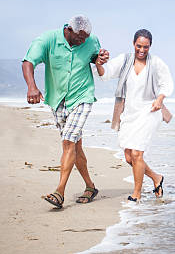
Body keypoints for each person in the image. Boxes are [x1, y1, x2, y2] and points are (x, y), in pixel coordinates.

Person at [22, 15, 110, 209]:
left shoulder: (91, 40)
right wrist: (32, 87)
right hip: (58, 99)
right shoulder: (47, 40)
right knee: (75, 147)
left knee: (68, 141)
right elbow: (28, 62)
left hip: (82, 97)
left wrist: (99, 59)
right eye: (79, 38)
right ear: (68, 30)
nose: (83, 41)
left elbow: (95, 58)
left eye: (85, 38)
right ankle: (90, 186)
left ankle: (59, 192)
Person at [95, 29, 173, 202]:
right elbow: (105, 74)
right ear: (133, 44)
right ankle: (156, 178)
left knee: (137, 154)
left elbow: (167, 83)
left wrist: (160, 98)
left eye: (146, 47)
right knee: (130, 157)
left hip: (149, 111)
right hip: (128, 113)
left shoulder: (156, 63)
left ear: (150, 46)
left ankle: (136, 194)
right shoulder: (124, 60)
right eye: (139, 46)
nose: (142, 50)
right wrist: (98, 63)